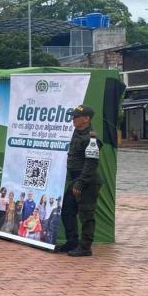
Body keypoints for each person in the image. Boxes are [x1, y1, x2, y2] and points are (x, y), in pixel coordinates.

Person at [56, 105, 102, 257]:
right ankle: (72, 242)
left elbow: (91, 164)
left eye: (76, 117)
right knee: (67, 210)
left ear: (87, 119)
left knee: (86, 215)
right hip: (75, 179)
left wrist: (81, 183)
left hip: (86, 181)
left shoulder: (91, 138)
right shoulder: (77, 133)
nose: (73, 119)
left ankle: (85, 247)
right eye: (73, 116)